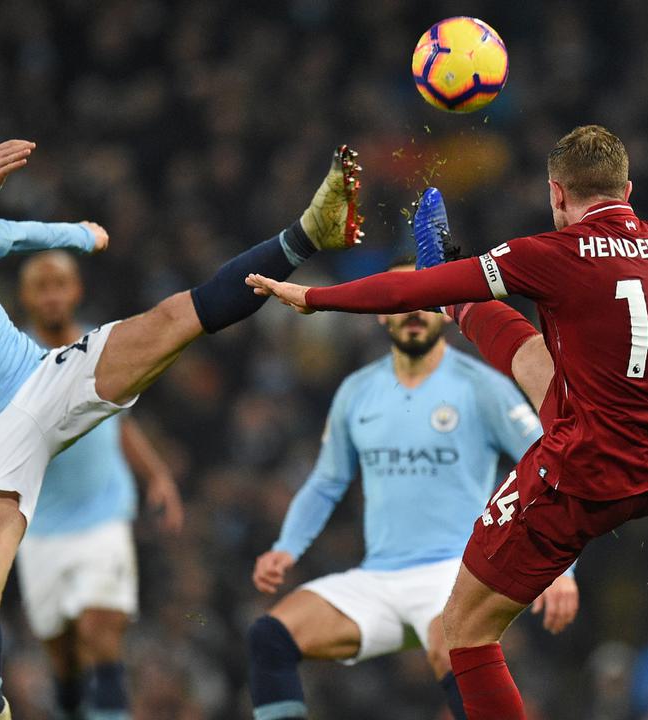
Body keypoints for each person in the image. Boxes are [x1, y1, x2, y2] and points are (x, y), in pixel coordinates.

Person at [0, 125, 363, 719]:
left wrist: (78, 235)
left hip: (43, 380)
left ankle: (308, 231)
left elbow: (15, 234)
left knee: (170, 320)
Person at [246, 125, 648, 719]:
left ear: (556, 193)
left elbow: (415, 286)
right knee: (542, 362)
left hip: (589, 470)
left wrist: (315, 300)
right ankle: (461, 307)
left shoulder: (554, 255)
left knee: (461, 631)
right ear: (628, 190)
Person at [246, 258, 578, 720]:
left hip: (455, 572)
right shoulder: (356, 392)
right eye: (404, 302)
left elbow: (560, 464)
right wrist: (287, 547)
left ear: (444, 311)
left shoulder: (482, 388)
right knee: (269, 637)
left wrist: (563, 570)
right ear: (383, 311)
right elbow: (327, 481)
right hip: (380, 578)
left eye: (426, 301)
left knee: (454, 651)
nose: (415, 312)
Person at [14, 250, 184, 720]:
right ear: (25, 297)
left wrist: (157, 475)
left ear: (76, 291)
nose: (51, 296)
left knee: (101, 630)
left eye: (59, 284)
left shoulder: (101, 347)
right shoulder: (13, 362)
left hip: (103, 517)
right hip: (41, 526)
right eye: (41, 287)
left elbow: (119, 422)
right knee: (63, 654)